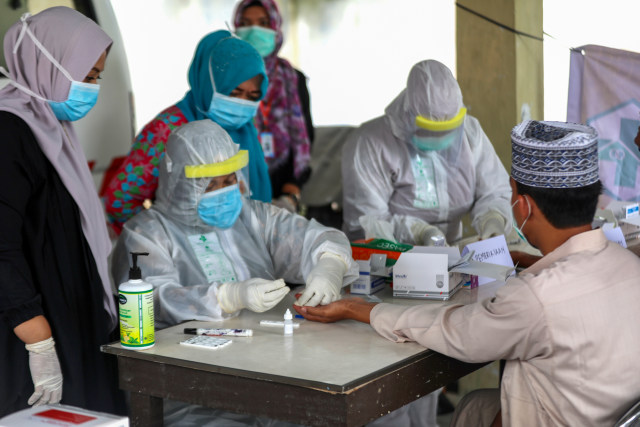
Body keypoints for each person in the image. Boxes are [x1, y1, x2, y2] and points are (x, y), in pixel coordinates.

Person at [296, 120, 640, 426]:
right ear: (593, 200)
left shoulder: (535, 299)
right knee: (478, 404)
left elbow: (456, 331)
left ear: (523, 205)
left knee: (474, 409)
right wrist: (529, 262)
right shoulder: (629, 265)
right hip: (614, 413)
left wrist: (356, 308)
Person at [111, 119, 357, 330]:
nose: (223, 191)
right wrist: (228, 297)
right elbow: (151, 300)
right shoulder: (146, 234)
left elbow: (312, 237)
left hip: (262, 343)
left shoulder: (252, 216)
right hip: (184, 356)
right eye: (209, 184)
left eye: (229, 180)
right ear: (179, 183)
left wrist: (330, 265)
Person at [0, 7, 125, 416]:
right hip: (32, 331)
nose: (92, 88)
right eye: (85, 76)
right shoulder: (10, 132)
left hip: (67, 316)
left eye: (97, 78)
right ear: (46, 63)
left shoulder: (51, 128)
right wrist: (37, 341)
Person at [104, 30, 272, 234]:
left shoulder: (246, 128)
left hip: (244, 250)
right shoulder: (169, 129)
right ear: (207, 82)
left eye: (252, 96)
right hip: (188, 256)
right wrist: (162, 240)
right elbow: (121, 200)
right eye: (233, 93)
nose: (241, 104)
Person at [342, 59, 512, 246]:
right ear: (410, 115)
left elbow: (495, 190)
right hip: (389, 258)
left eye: (449, 129)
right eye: (429, 130)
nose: (439, 139)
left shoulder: (470, 133)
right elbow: (366, 221)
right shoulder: (371, 143)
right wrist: (419, 232)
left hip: (451, 250)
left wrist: (494, 218)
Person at [233, 0, 312, 212]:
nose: (254, 30)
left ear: (275, 27)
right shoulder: (227, 77)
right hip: (236, 188)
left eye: (263, 22)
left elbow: (306, 136)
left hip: (285, 189)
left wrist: (292, 191)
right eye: (246, 23)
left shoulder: (293, 79)